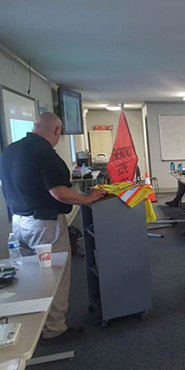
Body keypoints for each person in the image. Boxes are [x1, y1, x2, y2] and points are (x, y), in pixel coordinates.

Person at [0, 113, 106, 340]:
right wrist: (87, 198)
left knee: (29, 277)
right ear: (57, 130)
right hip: (45, 226)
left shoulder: (10, 150)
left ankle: (31, 325)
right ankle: (54, 329)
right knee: (54, 275)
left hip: (19, 222)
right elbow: (59, 192)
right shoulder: (45, 153)